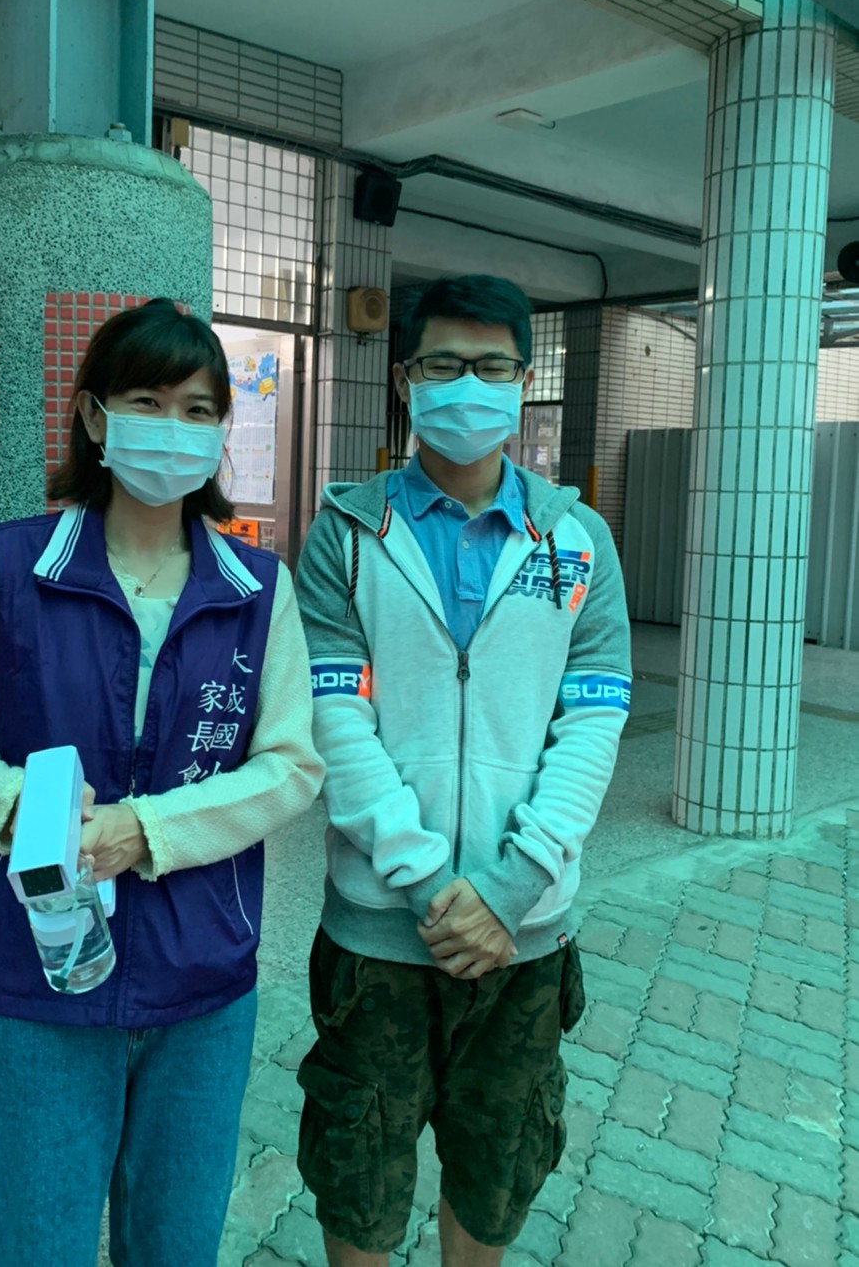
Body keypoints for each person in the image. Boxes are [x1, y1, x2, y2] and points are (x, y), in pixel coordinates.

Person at [0, 298, 324, 1267]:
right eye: (147, 401)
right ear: (95, 417)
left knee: (176, 1247)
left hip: (202, 986)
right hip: (38, 979)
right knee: (33, 1247)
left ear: (221, 431)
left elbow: (291, 764)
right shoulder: (8, 567)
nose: (173, 429)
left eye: (198, 409)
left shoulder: (260, 590)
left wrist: (148, 830)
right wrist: (18, 804)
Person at [293, 275, 632, 1266]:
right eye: (445, 364)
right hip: (376, 939)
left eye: (493, 366)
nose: (468, 385)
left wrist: (509, 888)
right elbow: (335, 719)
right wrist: (429, 882)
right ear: (406, 380)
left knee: (495, 1173)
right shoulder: (346, 533)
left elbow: (592, 724)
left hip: (523, 941)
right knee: (358, 1176)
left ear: (524, 382)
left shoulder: (577, 542)